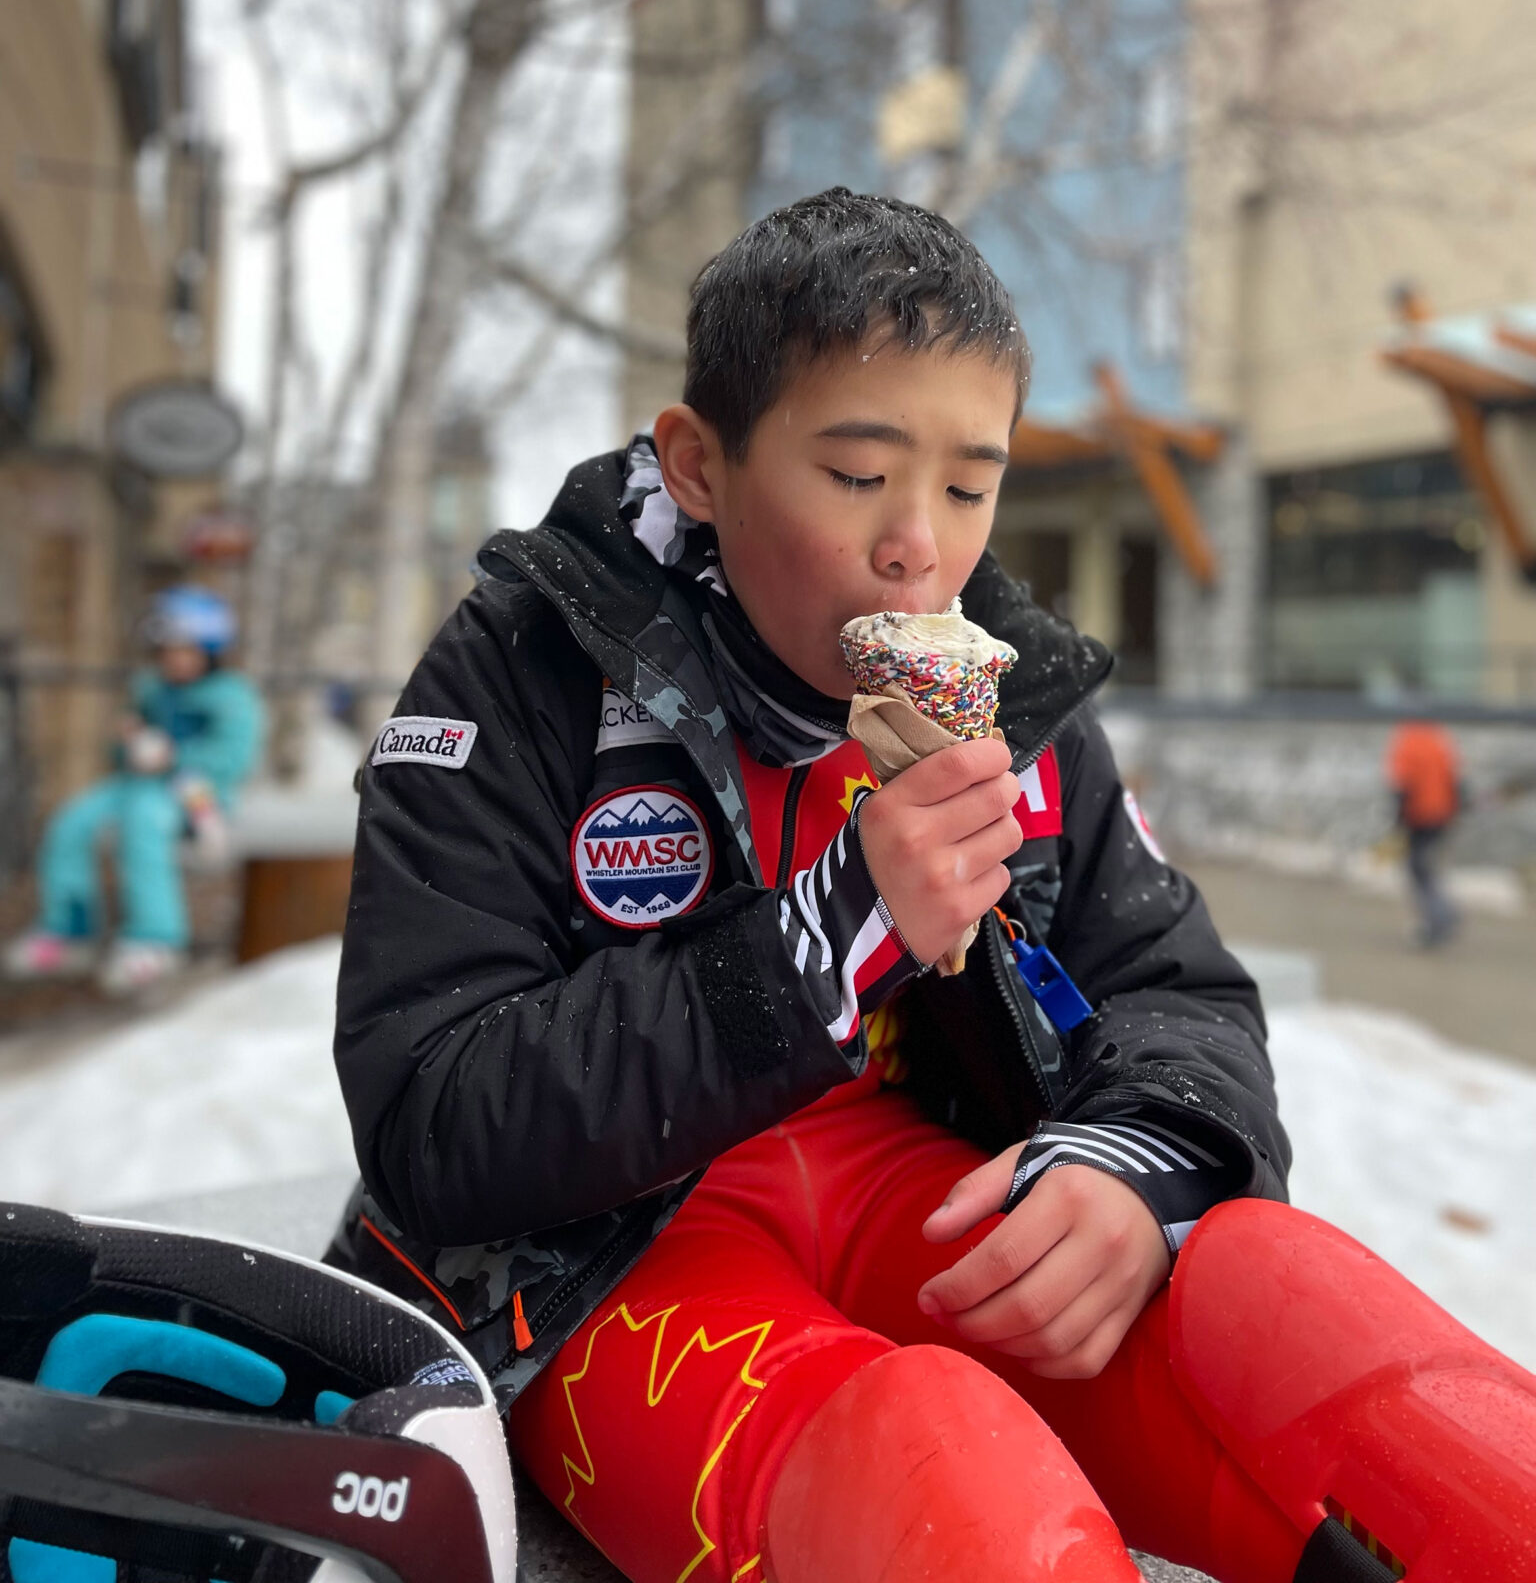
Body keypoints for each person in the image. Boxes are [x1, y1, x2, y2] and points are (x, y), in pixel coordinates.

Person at [329, 190, 1536, 1583]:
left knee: (1284, 1287)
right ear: (701, 464)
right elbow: (430, 1115)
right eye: (857, 477)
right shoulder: (521, 669)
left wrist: (1133, 1159)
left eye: (971, 486)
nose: (921, 545)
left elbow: (1171, 986)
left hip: (930, 1209)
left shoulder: (1006, 693)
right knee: (937, 1463)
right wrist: (833, 930)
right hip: (608, 1264)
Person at [4, 585, 265, 996]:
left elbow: (232, 759)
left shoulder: (232, 697)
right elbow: (125, 753)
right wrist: (127, 741)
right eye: (167, 651)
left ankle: (156, 937)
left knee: (143, 821)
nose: (174, 660)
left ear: (210, 651)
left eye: (186, 650)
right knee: (73, 820)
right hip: (136, 784)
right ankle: (69, 928)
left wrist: (172, 756)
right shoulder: (152, 689)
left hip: (197, 794)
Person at [1385, 717, 1464, 948]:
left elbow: (1403, 784)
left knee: (1418, 868)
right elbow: (1454, 776)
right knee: (1425, 866)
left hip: (1418, 815)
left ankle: (1438, 919)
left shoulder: (1406, 741)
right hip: (1441, 814)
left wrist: (1399, 819)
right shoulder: (1437, 738)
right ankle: (1443, 913)